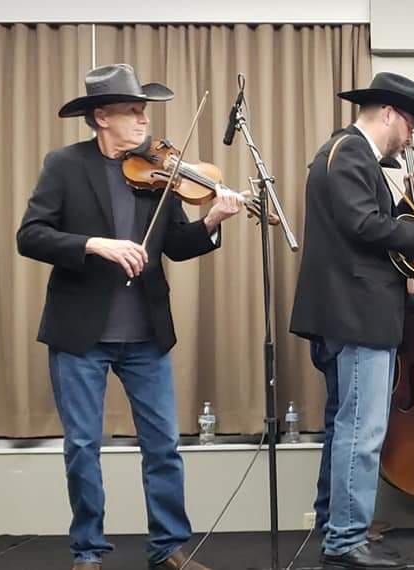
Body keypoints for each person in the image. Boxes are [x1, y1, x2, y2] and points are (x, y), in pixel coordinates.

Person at [16, 63, 245, 570]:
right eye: (134, 111)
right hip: (81, 332)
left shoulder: (157, 171)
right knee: (82, 446)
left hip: (145, 332)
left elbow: (177, 245)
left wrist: (212, 219)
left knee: (163, 445)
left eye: (144, 112)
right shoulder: (64, 165)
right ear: (102, 116)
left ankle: (168, 548)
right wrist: (93, 244)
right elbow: (30, 236)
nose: (145, 121)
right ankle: (88, 551)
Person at [290, 72, 414, 570]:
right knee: (362, 431)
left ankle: (342, 530)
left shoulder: (353, 157)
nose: (411, 137)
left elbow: (365, 228)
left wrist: (404, 205)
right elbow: (362, 225)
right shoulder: (350, 154)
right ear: (388, 113)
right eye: (411, 125)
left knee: (351, 428)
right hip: (356, 316)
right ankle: (344, 540)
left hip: (355, 313)